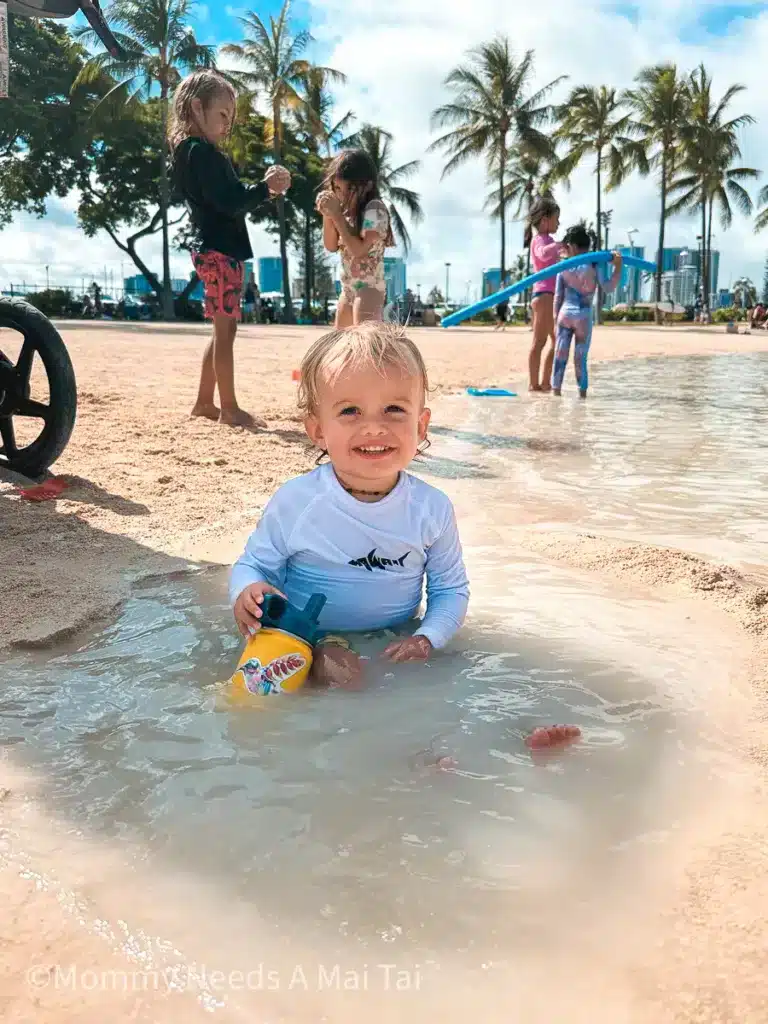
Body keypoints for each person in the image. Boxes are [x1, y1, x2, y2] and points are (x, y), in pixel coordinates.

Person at [229, 321, 470, 689]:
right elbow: (255, 564)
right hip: (304, 635)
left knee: (428, 691)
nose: (374, 427)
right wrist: (247, 591)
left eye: (393, 409)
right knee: (332, 676)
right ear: (318, 430)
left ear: (421, 426)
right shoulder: (298, 501)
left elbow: (450, 590)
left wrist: (428, 637)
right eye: (350, 412)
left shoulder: (431, 509)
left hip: (396, 637)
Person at [169, 70, 291, 428]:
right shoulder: (203, 153)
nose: (228, 124)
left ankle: (205, 402)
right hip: (220, 250)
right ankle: (229, 408)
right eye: (223, 114)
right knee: (225, 332)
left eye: (230, 118)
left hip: (211, 249)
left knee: (222, 330)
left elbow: (223, 200)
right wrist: (265, 188)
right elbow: (229, 201)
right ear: (196, 107)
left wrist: (259, 191)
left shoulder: (187, 152)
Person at [316, 149, 395, 328]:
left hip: (369, 288)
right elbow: (330, 246)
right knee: (342, 344)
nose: (342, 195)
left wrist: (336, 216)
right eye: (337, 188)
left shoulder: (375, 209)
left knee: (363, 344)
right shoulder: (345, 215)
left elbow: (359, 251)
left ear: (367, 186)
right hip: (348, 289)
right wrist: (327, 215)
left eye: (349, 188)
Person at [551, 224, 622, 399]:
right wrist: (618, 267)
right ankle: (582, 396)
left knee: (560, 355)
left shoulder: (563, 266)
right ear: (587, 247)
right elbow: (608, 287)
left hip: (565, 315)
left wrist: (555, 320)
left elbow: (557, 297)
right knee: (580, 358)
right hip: (583, 316)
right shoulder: (594, 265)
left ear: (572, 247)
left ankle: (556, 393)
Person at [525, 196, 562, 392]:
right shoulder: (539, 240)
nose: (558, 223)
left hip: (552, 296)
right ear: (545, 220)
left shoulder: (550, 241)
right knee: (540, 341)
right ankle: (534, 383)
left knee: (556, 341)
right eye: (557, 218)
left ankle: (546, 382)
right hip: (543, 295)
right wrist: (558, 246)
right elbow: (543, 254)